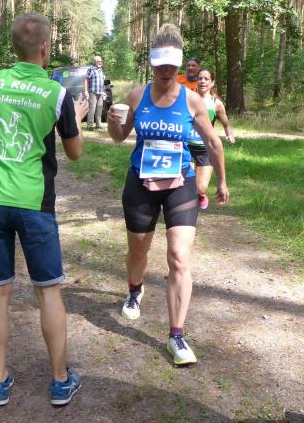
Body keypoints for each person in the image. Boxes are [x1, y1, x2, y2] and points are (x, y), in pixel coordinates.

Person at [0, 12, 89, 407]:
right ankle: (59, 381)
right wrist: (77, 118)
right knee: (48, 291)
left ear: (13, 46)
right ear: (45, 47)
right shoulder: (56, 94)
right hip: (34, 202)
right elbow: (74, 153)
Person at [107, 23, 229, 365]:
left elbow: (213, 142)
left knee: (178, 257)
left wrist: (221, 181)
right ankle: (135, 291)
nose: (165, 70)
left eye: (171, 64)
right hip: (141, 183)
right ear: (152, 61)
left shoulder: (192, 100)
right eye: (160, 63)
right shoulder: (137, 95)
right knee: (138, 251)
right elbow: (119, 136)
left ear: (178, 63)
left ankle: (177, 335)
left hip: (181, 183)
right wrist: (112, 120)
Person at [188, 68, 236, 209]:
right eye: (200, 78)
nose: (202, 81)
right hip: (187, 147)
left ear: (212, 82)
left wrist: (229, 134)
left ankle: (201, 194)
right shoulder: (188, 99)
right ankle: (185, 208)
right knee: (187, 183)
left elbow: (226, 124)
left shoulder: (216, 104)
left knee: (201, 187)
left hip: (205, 149)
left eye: (206, 79)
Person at [86, 55, 106, 130]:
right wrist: (86, 91)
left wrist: (104, 91)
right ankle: (90, 125)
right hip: (93, 92)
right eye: (98, 61)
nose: (100, 62)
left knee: (99, 109)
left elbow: (102, 82)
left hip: (100, 93)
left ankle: (98, 124)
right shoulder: (91, 69)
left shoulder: (101, 70)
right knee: (92, 109)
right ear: (94, 62)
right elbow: (86, 79)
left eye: (100, 61)